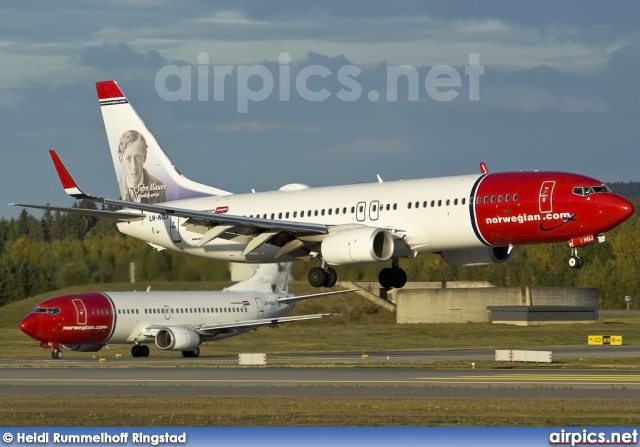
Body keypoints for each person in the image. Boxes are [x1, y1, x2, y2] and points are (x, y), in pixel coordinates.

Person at [117, 130, 166, 203]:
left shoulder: (160, 188)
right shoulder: (117, 186)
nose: (134, 167)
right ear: (121, 159)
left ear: (145, 156)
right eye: (128, 159)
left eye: (137, 157)